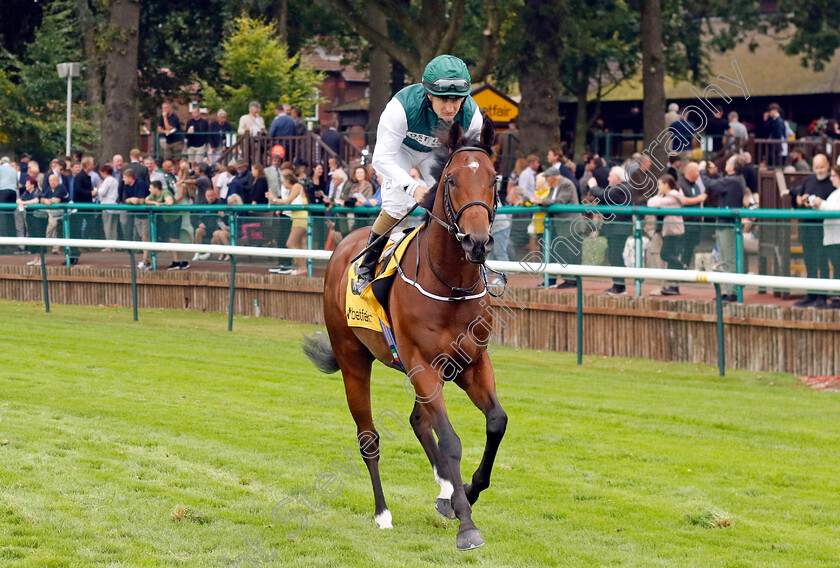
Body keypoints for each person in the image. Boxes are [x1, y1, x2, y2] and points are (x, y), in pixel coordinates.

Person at [354, 55, 484, 294]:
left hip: (438, 152)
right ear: (429, 94)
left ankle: (467, 260)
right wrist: (413, 188)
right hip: (400, 151)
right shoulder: (400, 108)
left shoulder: (473, 117)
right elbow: (381, 159)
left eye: (457, 100)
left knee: (454, 202)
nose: (450, 108)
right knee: (396, 205)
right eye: (443, 99)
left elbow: (466, 163)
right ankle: (366, 267)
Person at [789, 154, 834, 307]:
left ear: (828, 165)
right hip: (807, 226)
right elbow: (797, 199)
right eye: (816, 168)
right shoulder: (808, 180)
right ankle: (811, 294)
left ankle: (822, 295)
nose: (819, 171)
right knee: (809, 260)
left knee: (823, 261)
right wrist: (801, 201)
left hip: (825, 228)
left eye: (822, 167)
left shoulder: (833, 182)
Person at [701, 155, 746, 302]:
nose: (725, 164)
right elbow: (721, 182)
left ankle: (732, 291)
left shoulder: (732, 181)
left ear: (732, 167)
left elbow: (711, 184)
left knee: (729, 258)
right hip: (726, 223)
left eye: (727, 163)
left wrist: (702, 171)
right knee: (726, 258)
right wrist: (715, 173)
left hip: (727, 224)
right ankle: (730, 289)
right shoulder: (736, 179)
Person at [532, 166, 581, 288]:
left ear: (552, 178)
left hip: (571, 226)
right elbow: (549, 200)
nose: (546, 181)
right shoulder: (554, 187)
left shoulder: (566, 184)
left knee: (570, 254)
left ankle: (572, 281)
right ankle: (551, 280)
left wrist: (541, 201)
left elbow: (560, 201)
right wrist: (540, 200)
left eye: (547, 178)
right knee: (556, 253)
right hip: (559, 225)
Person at [591, 166, 635, 295]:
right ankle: (618, 285)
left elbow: (604, 195)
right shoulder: (622, 187)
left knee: (615, 256)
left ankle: (620, 287)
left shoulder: (623, 188)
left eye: (610, 176)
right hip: (616, 228)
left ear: (617, 177)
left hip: (619, 229)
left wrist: (593, 186)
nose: (608, 178)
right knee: (613, 255)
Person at [648, 175, 687, 295]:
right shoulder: (667, 196)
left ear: (667, 185)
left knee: (665, 255)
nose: (658, 187)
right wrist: (658, 196)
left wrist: (657, 197)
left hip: (673, 231)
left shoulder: (673, 197)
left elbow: (652, 203)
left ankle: (683, 267)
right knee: (671, 260)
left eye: (660, 184)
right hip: (670, 230)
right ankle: (673, 287)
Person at [809, 165, 840, 309]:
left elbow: (834, 210)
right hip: (832, 238)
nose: (831, 178)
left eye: (833, 175)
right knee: (836, 266)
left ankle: (837, 298)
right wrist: (818, 205)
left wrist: (821, 204)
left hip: (837, 238)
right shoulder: (835, 193)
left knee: (838, 268)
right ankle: (836, 297)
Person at [267, 173, 308, 275]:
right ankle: (306, 267)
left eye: (283, 181)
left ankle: (303, 267)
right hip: (298, 219)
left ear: (288, 181)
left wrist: (274, 199)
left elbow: (287, 201)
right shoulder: (294, 188)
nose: (283, 184)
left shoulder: (297, 186)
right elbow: (286, 202)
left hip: (300, 219)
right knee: (301, 244)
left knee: (290, 243)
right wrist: (274, 199)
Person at [676, 162, 708, 268]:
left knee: (690, 249)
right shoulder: (680, 184)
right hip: (684, 224)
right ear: (691, 172)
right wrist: (698, 199)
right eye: (697, 172)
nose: (699, 174)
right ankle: (678, 272)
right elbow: (681, 200)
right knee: (680, 249)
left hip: (695, 224)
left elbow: (700, 201)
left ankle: (686, 270)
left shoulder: (696, 186)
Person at [121, 169, 152, 270]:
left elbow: (142, 200)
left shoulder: (140, 184)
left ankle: (146, 261)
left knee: (145, 237)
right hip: (137, 215)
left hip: (146, 215)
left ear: (130, 178)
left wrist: (136, 200)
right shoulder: (126, 186)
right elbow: (125, 199)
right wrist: (131, 200)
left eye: (124, 177)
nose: (123, 179)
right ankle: (147, 260)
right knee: (142, 236)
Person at [17, 177, 46, 265]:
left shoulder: (37, 191)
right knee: (33, 236)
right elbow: (18, 200)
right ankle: (36, 258)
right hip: (30, 217)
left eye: (27, 183)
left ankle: (42, 259)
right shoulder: (26, 192)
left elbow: (36, 200)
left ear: (32, 185)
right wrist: (21, 202)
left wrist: (24, 203)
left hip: (39, 218)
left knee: (39, 236)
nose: (25, 185)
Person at [97, 165, 120, 243]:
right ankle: (114, 243)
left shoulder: (107, 180)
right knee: (114, 226)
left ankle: (109, 244)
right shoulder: (115, 180)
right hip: (115, 205)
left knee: (107, 226)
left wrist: (100, 187)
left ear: (105, 172)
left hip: (107, 205)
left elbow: (102, 192)